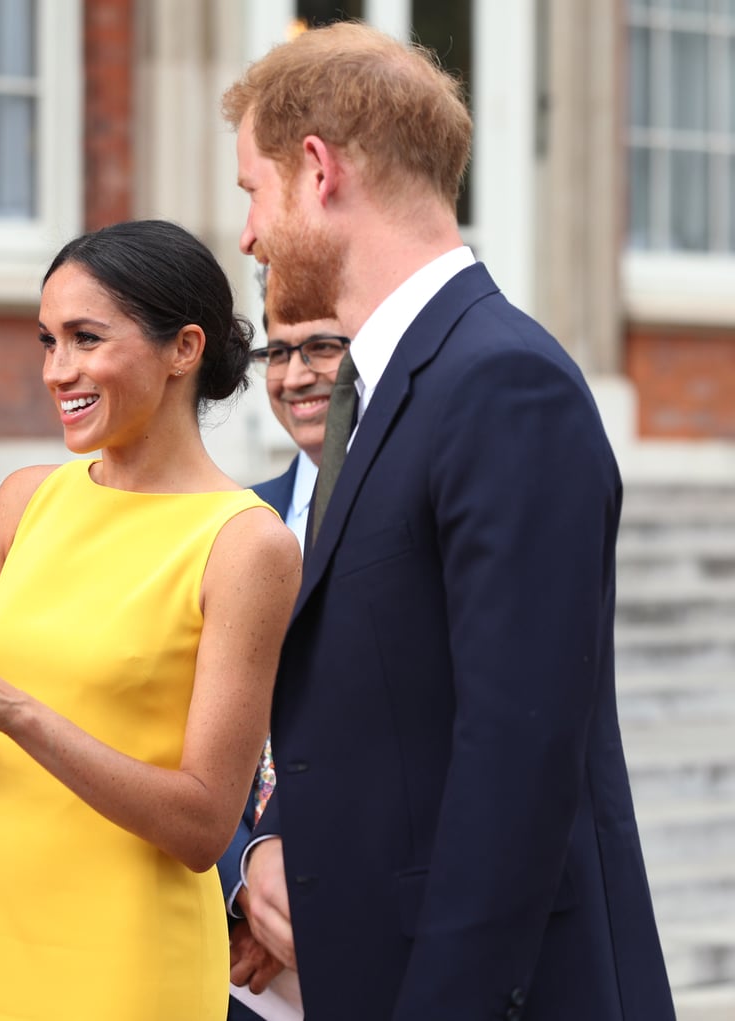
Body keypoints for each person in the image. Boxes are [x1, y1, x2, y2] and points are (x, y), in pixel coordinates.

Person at [222, 21, 676, 1020]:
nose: (248, 234)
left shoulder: (504, 384)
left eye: (251, 192)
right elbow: (379, 686)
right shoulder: (388, 385)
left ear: (317, 168)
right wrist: (270, 843)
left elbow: (518, 762)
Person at [0, 219, 302, 1021]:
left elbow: (201, 823)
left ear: (184, 348)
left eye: (86, 338)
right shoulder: (26, 498)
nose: (57, 370)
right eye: (49, 340)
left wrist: (16, 714)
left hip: (128, 950)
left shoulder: (246, 541)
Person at [222, 306, 348, 1021]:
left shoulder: (418, 516)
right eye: (278, 352)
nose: (296, 375)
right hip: (244, 961)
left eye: (324, 348)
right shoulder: (234, 519)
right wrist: (244, 874)